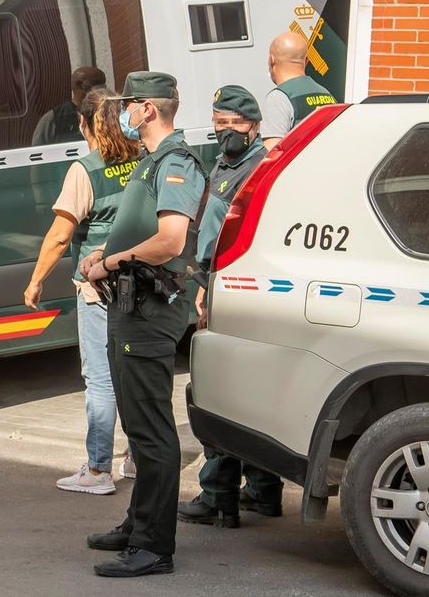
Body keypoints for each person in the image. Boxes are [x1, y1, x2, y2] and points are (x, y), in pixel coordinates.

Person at [81, 71, 204, 578]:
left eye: (129, 105)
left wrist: (111, 262)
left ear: (148, 109)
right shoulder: (151, 160)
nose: (123, 114)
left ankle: (154, 547)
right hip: (131, 305)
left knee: (151, 431)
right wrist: (104, 256)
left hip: (151, 309)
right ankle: (137, 524)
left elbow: (172, 240)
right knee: (137, 420)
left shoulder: (176, 161)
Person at [24, 88, 140, 495]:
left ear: (85, 123)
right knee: (132, 374)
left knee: (101, 379)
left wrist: (36, 279)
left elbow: (60, 236)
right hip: (140, 283)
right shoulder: (141, 158)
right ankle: (137, 458)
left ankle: (97, 470)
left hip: (99, 287)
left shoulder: (85, 170)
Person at [176, 85, 281, 528]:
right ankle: (262, 491)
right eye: (218, 123)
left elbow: (230, 239)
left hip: (228, 289)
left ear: (254, 127)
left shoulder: (256, 168)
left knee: (218, 392)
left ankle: (218, 495)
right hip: (226, 286)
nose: (224, 131)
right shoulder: (228, 162)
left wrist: (205, 286)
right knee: (249, 392)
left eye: (233, 124)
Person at [261, 31, 337, 151]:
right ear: (306, 60)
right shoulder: (327, 95)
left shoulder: (278, 98)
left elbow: (272, 155)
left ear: (271, 60)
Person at [31, 66, 107, 146]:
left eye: (103, 83)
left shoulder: (108, 112)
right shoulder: (55, 118)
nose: (103, 88)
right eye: (97, 83)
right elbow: (37, 152)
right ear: (80, 85)